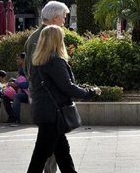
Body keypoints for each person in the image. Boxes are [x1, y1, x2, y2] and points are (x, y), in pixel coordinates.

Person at [26, 25, 101, 173]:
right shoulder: (54, 61)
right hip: (54, 115)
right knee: (40, 157)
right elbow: (67, 87)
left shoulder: (37, 62)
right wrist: (91, 92)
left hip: (45, 113)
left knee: (62, 153)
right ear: (56, 40)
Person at [24, 1, 69, 173]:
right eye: (63, 17)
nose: (64, 21)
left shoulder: (35, 36)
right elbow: (38, 71)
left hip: (45, 98)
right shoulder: (45, 37)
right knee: (48, 146)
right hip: (49, 100)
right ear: (56, 18)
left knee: (57, 146)